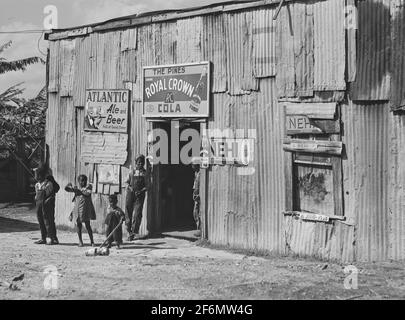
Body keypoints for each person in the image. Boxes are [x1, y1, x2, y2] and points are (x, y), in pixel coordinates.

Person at [65, 175, 96, 247]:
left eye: (84, 180)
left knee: (88, 225)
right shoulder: (77, 189)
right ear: (78, 181)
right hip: (77, 209)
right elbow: (67, 189)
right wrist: (68, 185)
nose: (83, 182)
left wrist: (79, 191)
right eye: (81, 180)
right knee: (79, 225)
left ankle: (92, 241)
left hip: (86, 210)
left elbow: (87, 194)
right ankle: (80, 241)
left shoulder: (88, 187)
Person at [34, 165, 59, 245]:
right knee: (41, 221)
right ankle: (43, 238)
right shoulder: (37, 185)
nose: (37, 177)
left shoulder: (48, 184)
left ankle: (53, 238)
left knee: (49, 221)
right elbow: (36, 195)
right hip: (39, 206)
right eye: (36, 175)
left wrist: (46, 202)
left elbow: (51, 195)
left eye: (38, 175)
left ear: (43, 175)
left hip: (47, 206)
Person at [125, 154, 147, 241]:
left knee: (137, 214)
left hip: (140, 195)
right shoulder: (131, 172)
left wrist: (141, 190)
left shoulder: (145, 173)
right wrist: (130, 188)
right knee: (128, 213)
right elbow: (126, 183)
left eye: (142, 163)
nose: (140, 164)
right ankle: (129, 232)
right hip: (130, 194)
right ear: (136, 163)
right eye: (139, 163)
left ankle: (134, 232)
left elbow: (148, 185)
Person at [192, 163, 201, 237]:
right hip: (196, 195)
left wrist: (198, 195)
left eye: (193, 165)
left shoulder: (200, 174)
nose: (192, 166)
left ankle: (200, 229)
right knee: (195, 212)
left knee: (197, 212)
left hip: (198, 196)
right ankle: (198, 228)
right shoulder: (196, 173)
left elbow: (199, 186)